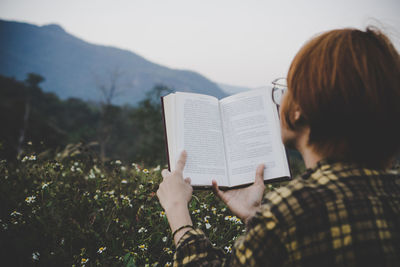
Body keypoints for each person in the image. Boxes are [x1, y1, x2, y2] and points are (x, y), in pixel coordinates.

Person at [156, 26, 400, 266]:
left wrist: (178, 210)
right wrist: (256, 218)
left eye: (286, 90)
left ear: (299, 110)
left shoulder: (292, 211)